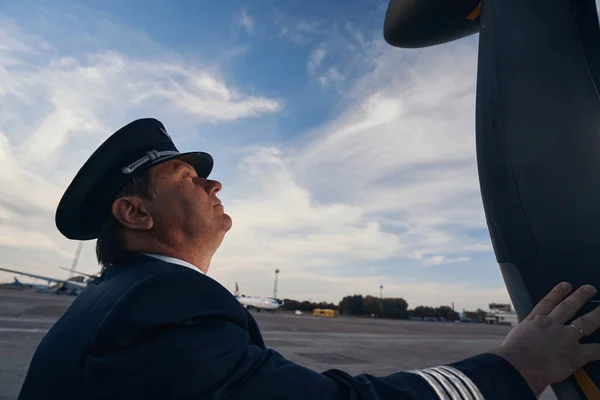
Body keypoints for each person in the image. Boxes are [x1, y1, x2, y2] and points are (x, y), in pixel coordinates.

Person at [17, 118, 600, 399]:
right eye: (189, 178)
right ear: (136, 215)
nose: (214, 187)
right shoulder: (157, 305)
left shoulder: (111, 300)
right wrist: (516, 367)